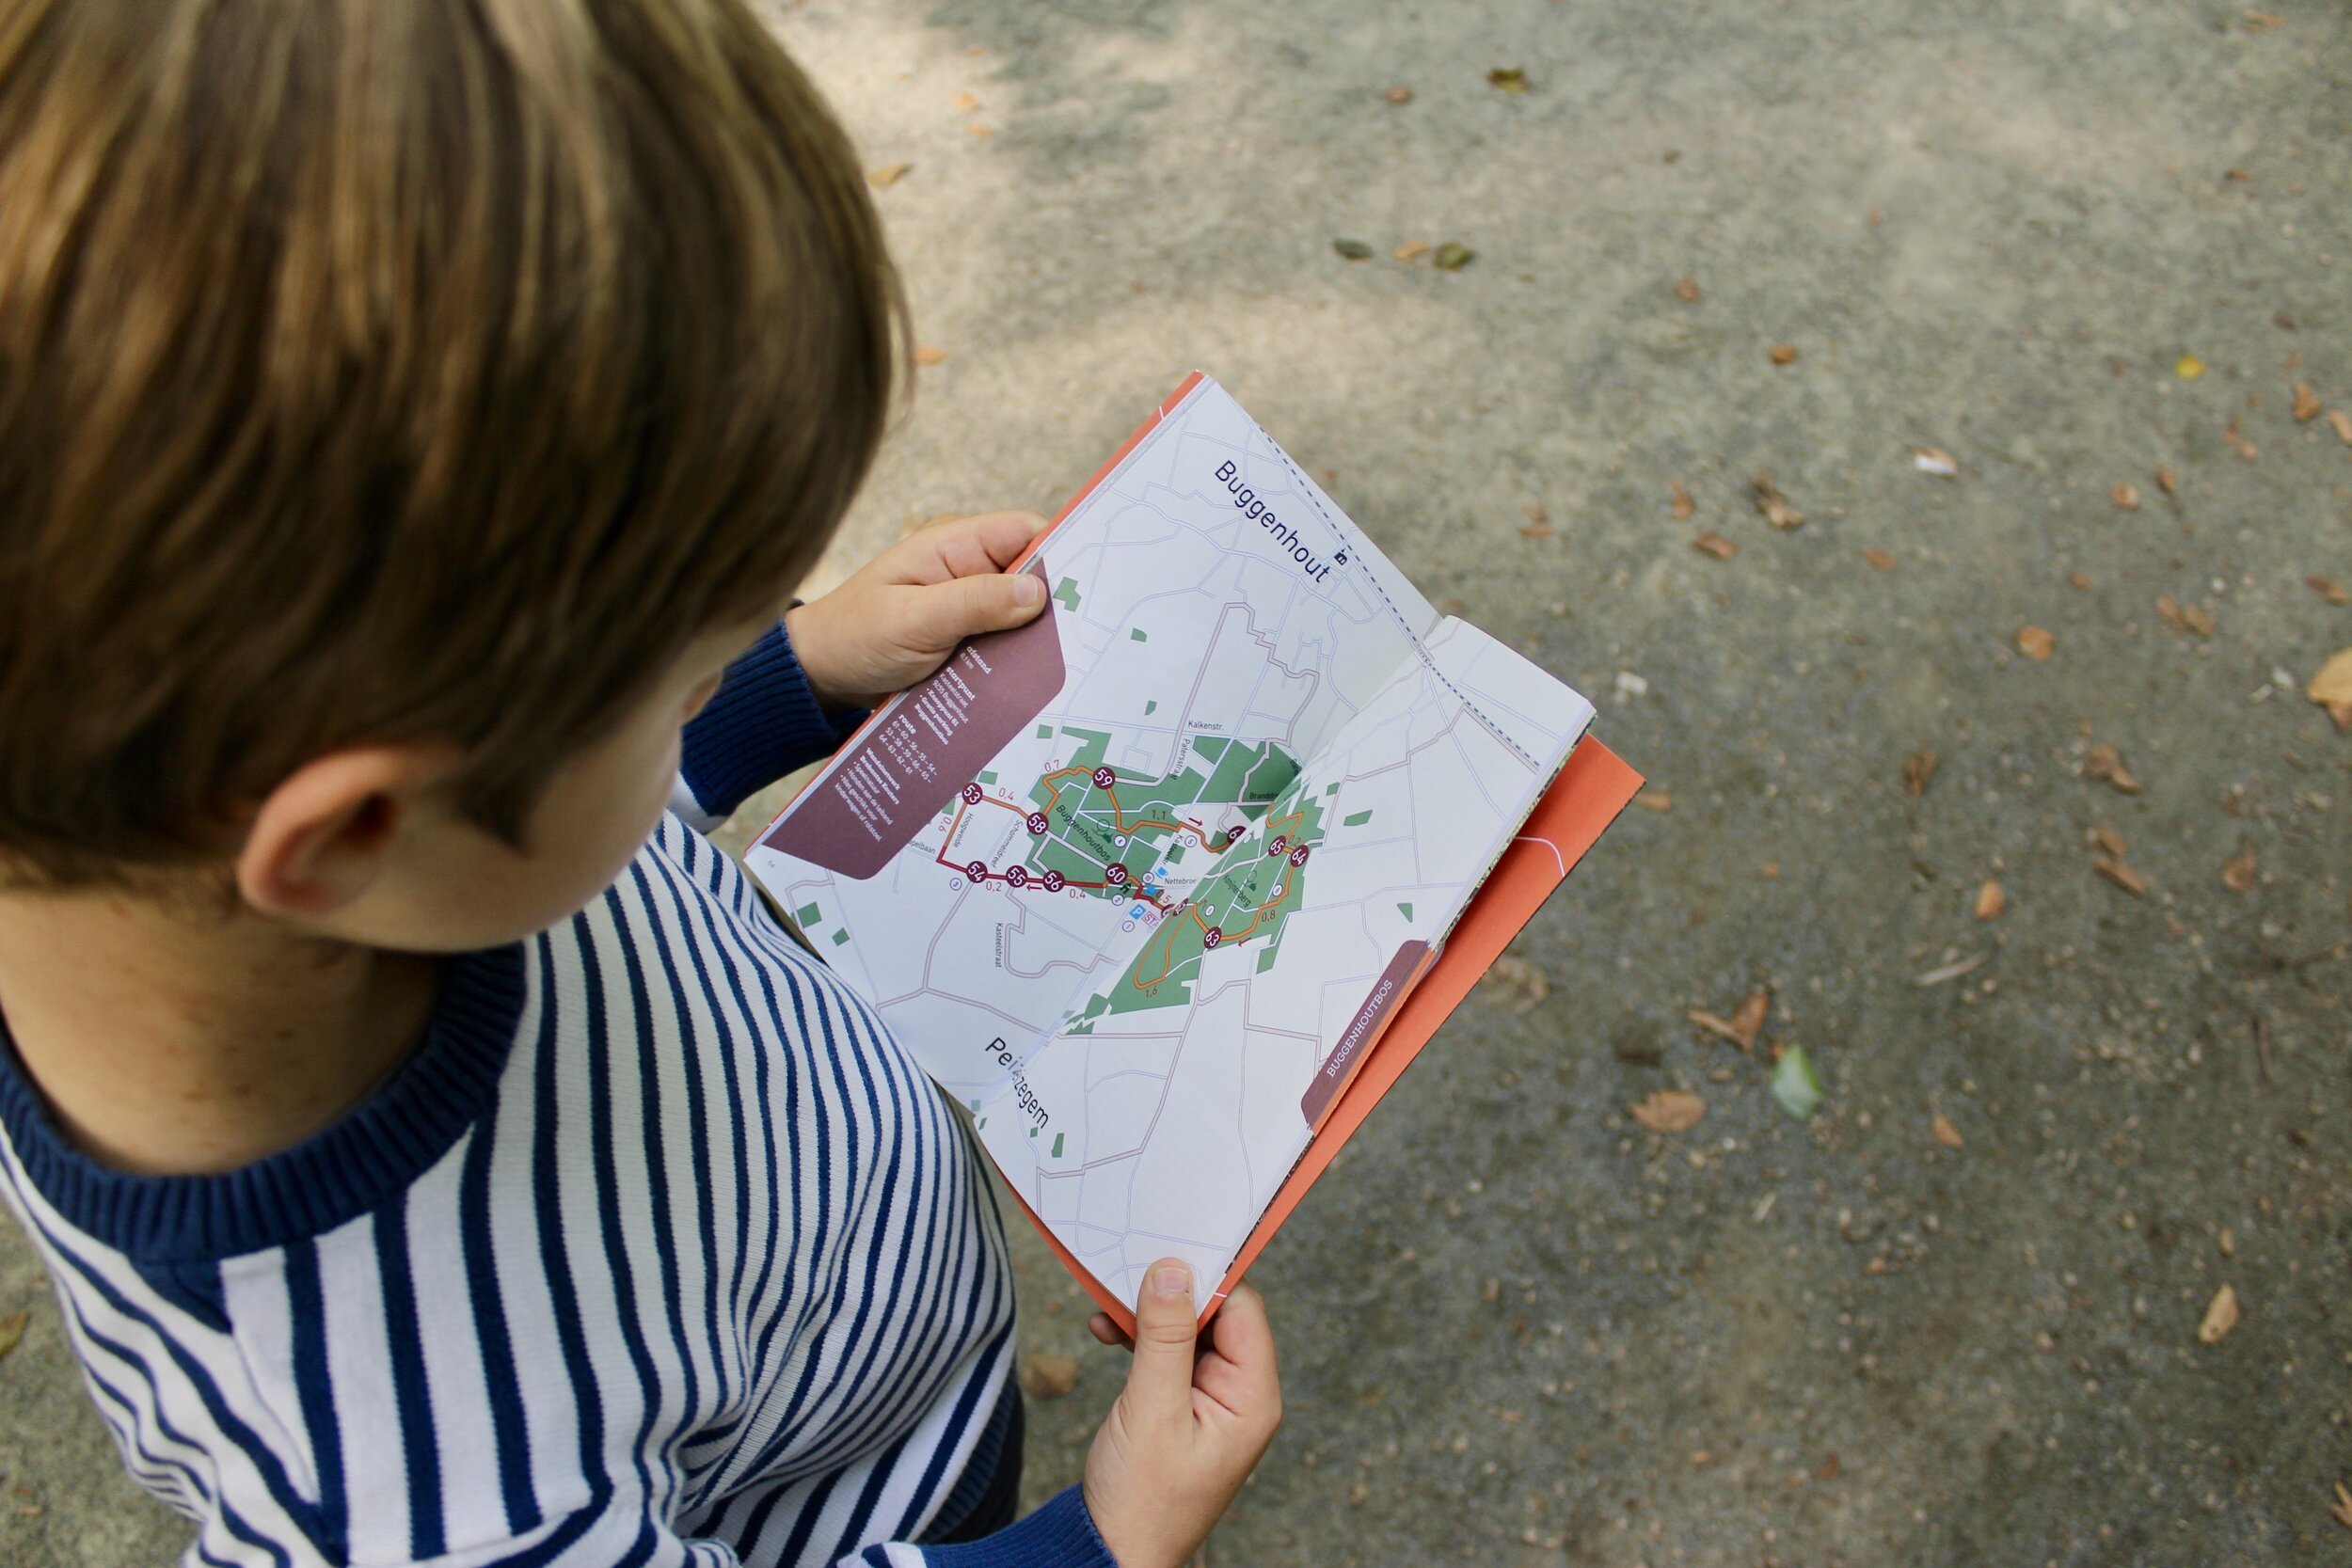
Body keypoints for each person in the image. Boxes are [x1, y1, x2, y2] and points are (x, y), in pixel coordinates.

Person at [0, 3, 1281, 1565]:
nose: (714, 680)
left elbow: (567, 816)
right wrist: (1101, 1548)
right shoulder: (414, 1489)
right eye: (682, 673)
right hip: (860, 1497)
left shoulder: (185, 847)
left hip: (812, 1321)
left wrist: (789, 680)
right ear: (350, 831)